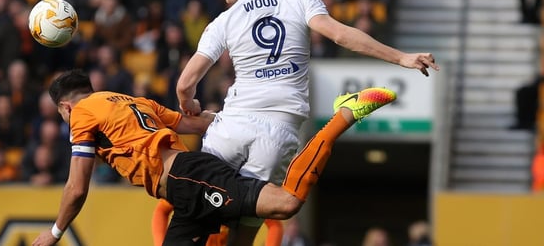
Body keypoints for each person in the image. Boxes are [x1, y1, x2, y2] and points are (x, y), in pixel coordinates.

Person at [167, 0, 439, 245]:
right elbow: (341, 35)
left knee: (199, 211)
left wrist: (188, 103)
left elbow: (185, 83)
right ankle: (345, 114)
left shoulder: (223, 21)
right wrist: (401, 58)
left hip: (230, 127)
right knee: (244, 231)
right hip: (279, 133)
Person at [31, 69, 396, 246]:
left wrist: (54, 232)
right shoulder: (129, 100)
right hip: (183, 192)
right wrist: (227, 117)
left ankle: (343, 116)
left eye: (62, 115)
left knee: (286, 204)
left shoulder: (81, 114)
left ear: (65, 106)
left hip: (188, 178)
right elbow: (194, 121)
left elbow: (76, 188)